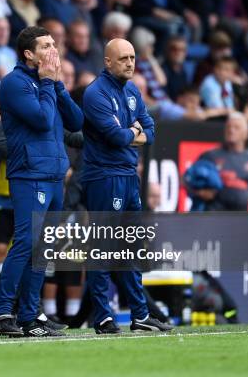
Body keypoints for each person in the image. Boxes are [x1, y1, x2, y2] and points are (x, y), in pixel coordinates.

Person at [0, 26, 84, 337]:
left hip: (55, 174)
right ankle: (1, 313)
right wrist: (46, 82)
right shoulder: (15, 83)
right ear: (29, 54)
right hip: (30, 173)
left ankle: (30, 316)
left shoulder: (47, 83)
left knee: (44, 248)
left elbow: (76, 121)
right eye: (46, 46)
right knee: (27, 241)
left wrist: (57, 86)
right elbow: (41, 120)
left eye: (55, 44)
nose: (53, 50)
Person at [81, 38, 173, 334]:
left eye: (133, 57)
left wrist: (131, 131)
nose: (130, 63)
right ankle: (103, 317)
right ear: (107, 61)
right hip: (104, 177)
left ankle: (140, 315)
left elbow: (152, 130)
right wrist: (134, 130)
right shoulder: (95, 93)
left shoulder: (132, 90)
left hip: (128, 175)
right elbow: (117, 138)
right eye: (123, 58)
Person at [196, 112, 248, 211]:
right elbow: (187, 179)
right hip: (213, 216)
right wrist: (200, 192)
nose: (231, 130)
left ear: (246, 134)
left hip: (241, 218)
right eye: (228, 127)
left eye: (236, 127)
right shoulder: (210, 156)